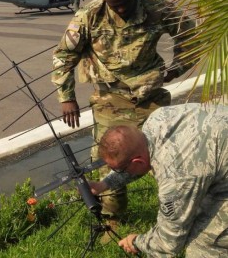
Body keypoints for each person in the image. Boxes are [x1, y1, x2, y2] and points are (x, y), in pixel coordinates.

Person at [51, 0, 195, 220]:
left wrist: (176, 68)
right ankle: (113, 218)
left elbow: (192, 35)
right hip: (109, 99)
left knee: (167, 154)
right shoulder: (89, 15)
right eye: (113, 5)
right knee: (109, 160)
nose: (120, 10)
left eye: (124, 3)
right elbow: (64, 56)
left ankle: (177, 215)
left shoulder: (156, 7)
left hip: (150, 96)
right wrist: (67, 98)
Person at [90, 103, 228, 257]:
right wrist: (103, 185)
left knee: (202, 247)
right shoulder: (157, 118)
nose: (117, 173)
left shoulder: (176, 176)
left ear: (138, 161)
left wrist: (137, 242)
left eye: (119, 170)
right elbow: (143, 161)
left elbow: (169, 242)